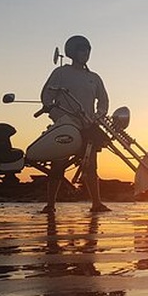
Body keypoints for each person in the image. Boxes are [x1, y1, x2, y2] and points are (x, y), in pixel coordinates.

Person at [39, 35, 111, 214]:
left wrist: (96, 116)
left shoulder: (94, 77)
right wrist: (59, 117)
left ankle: (97, 203)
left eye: (87, 49)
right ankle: (50, 205)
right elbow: (47, 98)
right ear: (72, 52)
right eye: (81, 49)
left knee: (91, 166)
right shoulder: (60, 73)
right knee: (57, 164)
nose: (85, 53)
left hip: (88, 127)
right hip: (65, 127)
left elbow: (103, 101)